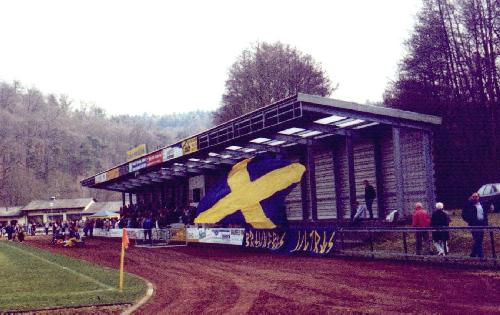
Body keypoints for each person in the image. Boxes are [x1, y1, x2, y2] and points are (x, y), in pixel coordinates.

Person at [462, 192, 488, 258]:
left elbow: (484, 213)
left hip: (481, 224)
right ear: (471, 197)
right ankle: (481, 256)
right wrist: (470, 220)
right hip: (474, 224)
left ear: (478, 197)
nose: (475, 198)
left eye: (476, 196)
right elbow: (463, 214)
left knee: (479, 239)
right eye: (473, 196)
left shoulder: (481, 204)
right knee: (478, 239)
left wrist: (485, 223)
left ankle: (473, 254)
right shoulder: (468, 204)